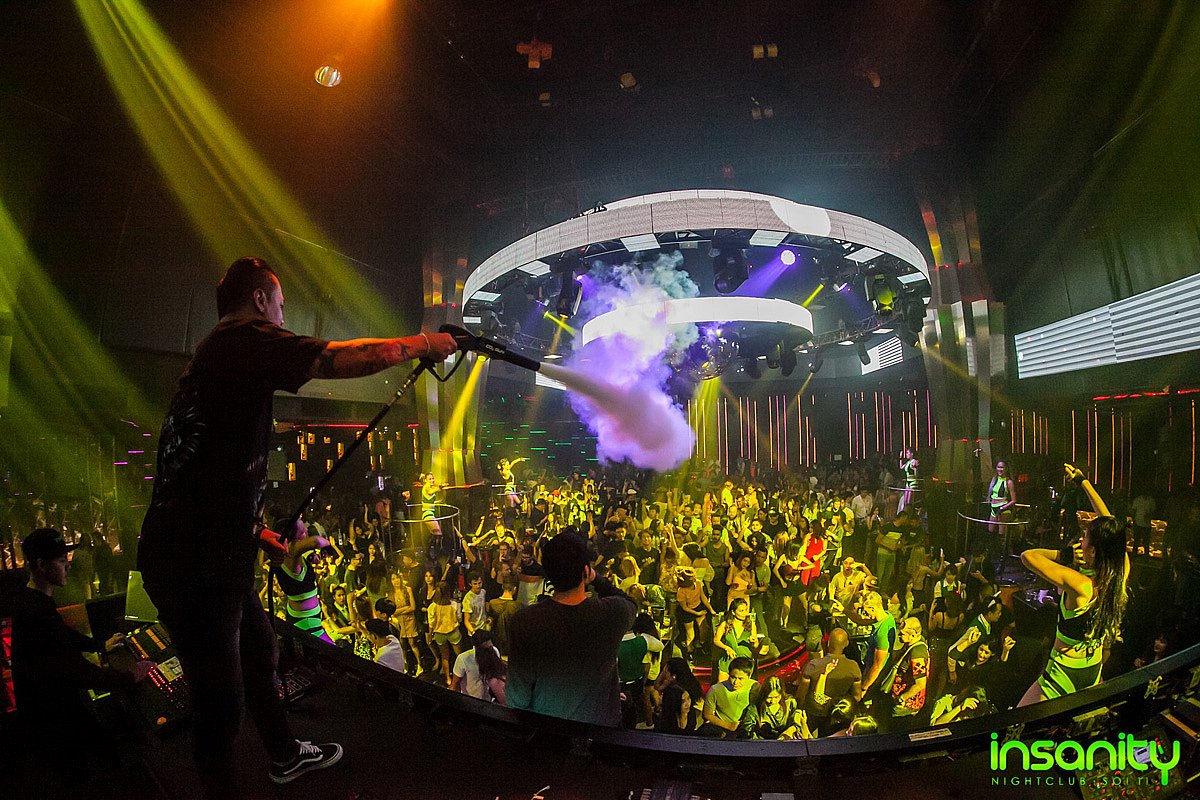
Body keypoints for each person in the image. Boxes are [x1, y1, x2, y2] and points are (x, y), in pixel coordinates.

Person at [136, 257, 457, 796]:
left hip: (213, 550)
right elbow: (338, 358)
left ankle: (284, 756)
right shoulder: (243, 338)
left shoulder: (220, 355)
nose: (283, 317)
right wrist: (425, 343)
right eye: (281, 305)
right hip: (195, 563)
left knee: (260, 649)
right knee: (220, 701)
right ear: (260, 300)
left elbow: (202, 473)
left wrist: (256, 532)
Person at [9, 529, 155, 789]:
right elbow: (74, 669)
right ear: (41, 565)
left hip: (49, 710)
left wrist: (100, 645)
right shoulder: (36, 612)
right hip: (53, 719)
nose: (68, 565)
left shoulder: (33, 600)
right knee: (98, 768)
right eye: (61, 560)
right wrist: (128, 676)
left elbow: (62, 634)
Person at [1018, 464, 1129, 705]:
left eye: (1085, 537)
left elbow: (1027, 557)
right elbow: (1109, 523)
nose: (1081, 539)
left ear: (1093, 550)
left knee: (1018, 723)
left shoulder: (1081, 585)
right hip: (1092, 668)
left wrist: (1063, 555)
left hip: (1063, 671)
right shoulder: (1120, 574)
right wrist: (1083, 482)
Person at [507, 532, 637, 726]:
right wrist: (597, 579)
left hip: (548, 730)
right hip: (599, 732)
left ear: (547, 572)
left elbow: (518, 698)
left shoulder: (525, 622)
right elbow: (631, 604)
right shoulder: (612, 613)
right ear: (585, 571)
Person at [700, 657, 754, 738]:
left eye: (740, 679)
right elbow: (707, 714)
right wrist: (728, 725)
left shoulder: (755, 688)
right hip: (724, 733)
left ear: (749, 676)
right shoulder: (716, 689)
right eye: (733, 677)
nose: (736, 682)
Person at [452, 630, 504, 701]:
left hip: (489, 700)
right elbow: (455, 684)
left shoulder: (494, 652)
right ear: (477, 648)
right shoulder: (463, 659)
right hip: (470, 701)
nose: (489, 652)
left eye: (490, 647)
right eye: (486, 650)